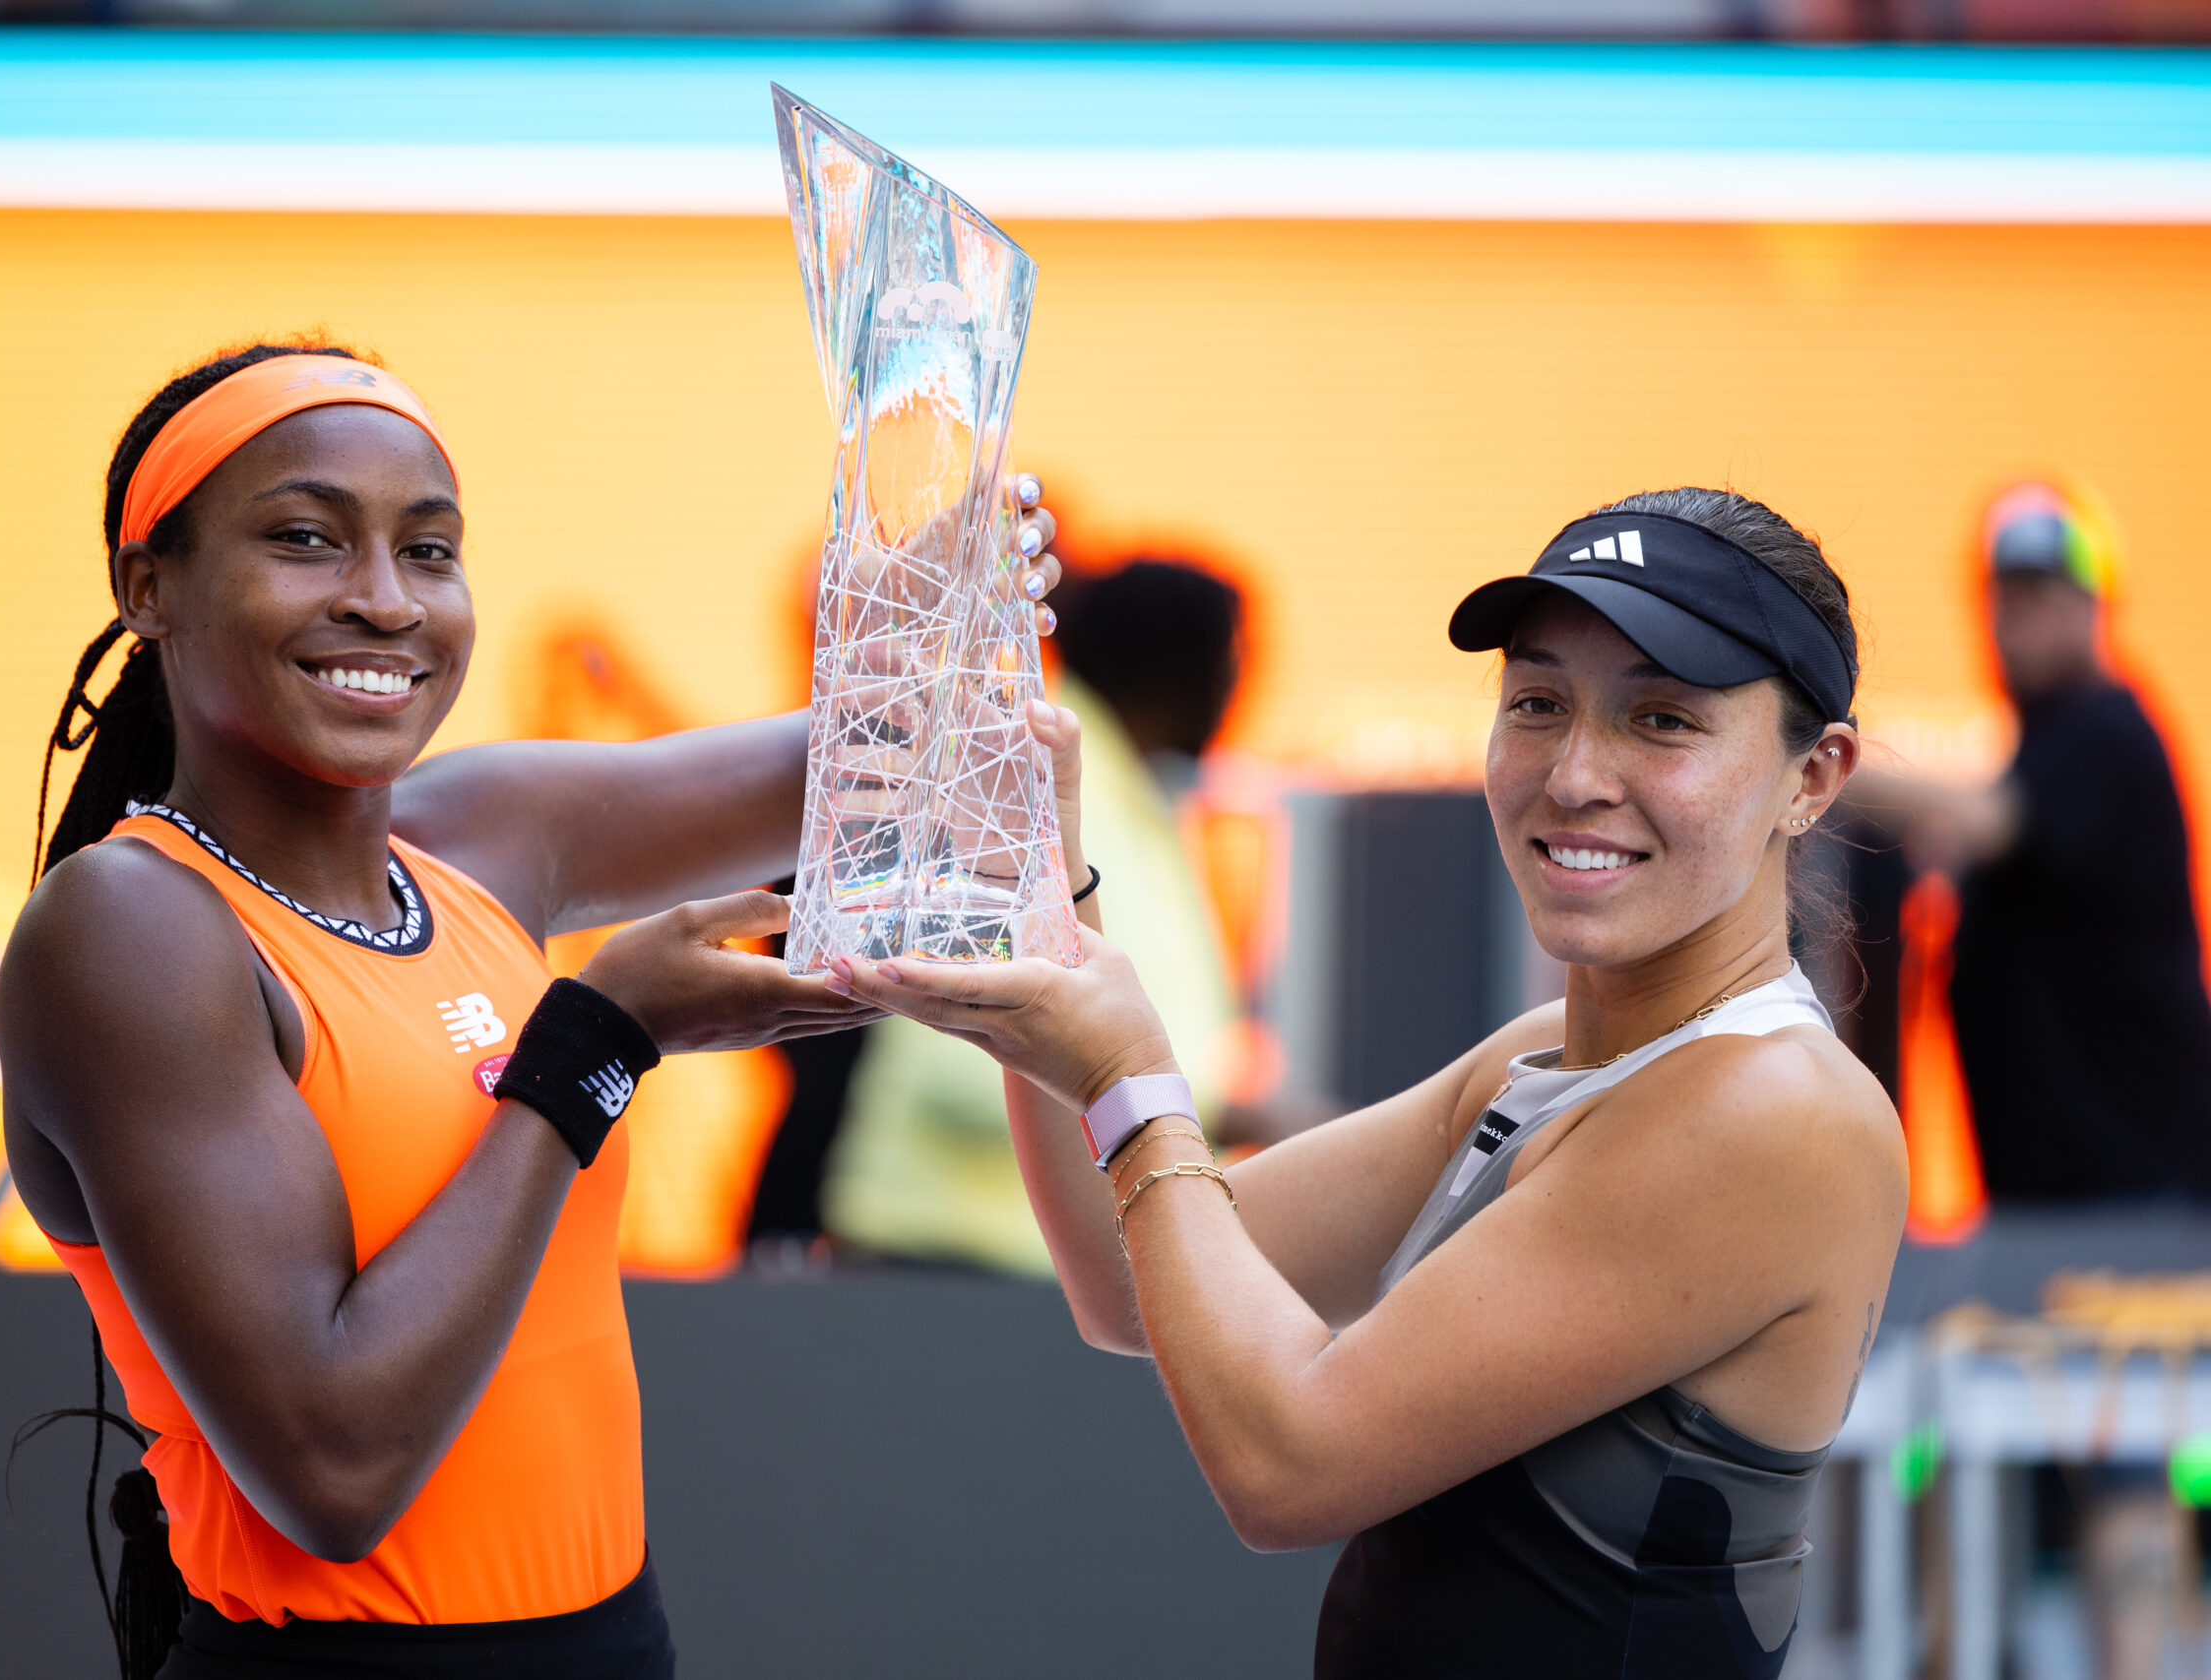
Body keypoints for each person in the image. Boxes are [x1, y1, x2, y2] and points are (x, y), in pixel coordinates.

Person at [0, 342, 1058, 1677]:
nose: (384, 600)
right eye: (308, 538)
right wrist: (596, 1047)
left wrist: (941, 622)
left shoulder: (476, 834)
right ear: (149, 585)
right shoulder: (131, 928)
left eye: (429, 550)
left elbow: (872, 758)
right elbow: (333, 1464)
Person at [829, 487, 1906, 1678]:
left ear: (1814, 776)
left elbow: (1289, 1467)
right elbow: (1119, 1276)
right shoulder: (1541, 1057)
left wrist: (1136, 1083)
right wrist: (1042, 907)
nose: (1574, 774)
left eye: (1660, 719)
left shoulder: (1773, 1115)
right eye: (1537, 704)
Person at [1843, 480, 2211, 1680]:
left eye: (2047, 597)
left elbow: (1988, 824)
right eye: (2006, 598)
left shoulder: (2106, 736)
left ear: (2094, 608)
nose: (2022, 623)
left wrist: (1813, 754)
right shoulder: (2054, 746)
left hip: (2128, 1204)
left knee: (2122, 1467)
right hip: (2045, 1204)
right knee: (1984, 1462)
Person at [820, 556, 1251, 1275]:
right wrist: (1206, 1110)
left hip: (1018, 1271)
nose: (1241, 682)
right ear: (1174, 666)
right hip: (944, 1266)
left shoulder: (1130, 800)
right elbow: (954, 1052)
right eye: (1233, 655)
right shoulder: (1033, 786)